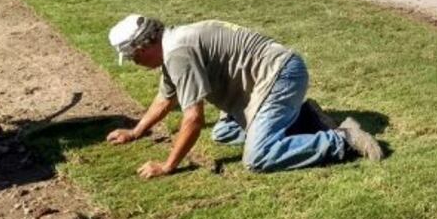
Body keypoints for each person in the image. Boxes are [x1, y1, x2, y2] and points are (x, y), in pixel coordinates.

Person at [105, 15, 382, 178]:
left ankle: (342, 140)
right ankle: (305, 119)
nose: (134, 63)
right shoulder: (173, 46)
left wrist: (167, 166)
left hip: (280, 75)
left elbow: (193, 119)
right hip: (272, 79)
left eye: (131, 57)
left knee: (257, 156)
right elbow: (166, 98)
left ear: (142, 48)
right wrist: (136, 131)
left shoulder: (177, 52)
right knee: (224, 132)